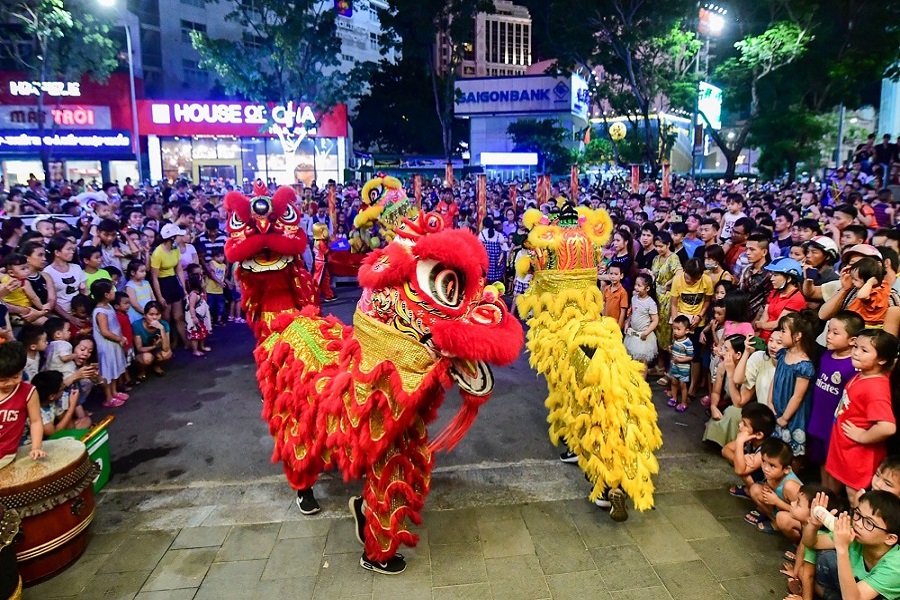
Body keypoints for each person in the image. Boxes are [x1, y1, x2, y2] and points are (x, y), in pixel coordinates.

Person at [826, 329, 898, 503]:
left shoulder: (876, 388)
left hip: (858, 456)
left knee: (855, 498)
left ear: (882, 359)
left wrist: (862, 436)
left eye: (864, 350)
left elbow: (887, 427)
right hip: (844, 449)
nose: (856, 352)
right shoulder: (864, 374)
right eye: (856, 346)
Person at [804, 490, 900, 600]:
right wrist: (813, 525)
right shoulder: (856, 534)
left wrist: (842, 549)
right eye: (858, 514)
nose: (858, 524)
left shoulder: (896, 565)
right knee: (826, 557)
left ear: (890, 538)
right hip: (855, 591)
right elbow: (812, 543)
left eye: (869, 523)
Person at [809, 311, 864, 492]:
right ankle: (825, 497)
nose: (828, 336)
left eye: (835, 332)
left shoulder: (853, 366)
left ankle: (833, 504)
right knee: (821, 463)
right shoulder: (826, 355)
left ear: (852, 340)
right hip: (817, 422)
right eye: (829, 330)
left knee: (833, 469)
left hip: (834, 429)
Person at [769, 311, 817, 460]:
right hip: (777, 408)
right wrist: (770, 401)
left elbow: (797, 396)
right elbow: (775, 378)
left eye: (784, 331)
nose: (780, 334)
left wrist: (785, 417)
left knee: (791, 452)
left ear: (797, 336)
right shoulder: (782, 353)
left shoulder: (804, 365)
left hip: (792, 414)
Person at [669, 258, 713, 401]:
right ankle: (675, 386)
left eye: (695, 280)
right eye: (689, 278)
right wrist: (677, 325)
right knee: (677, 351)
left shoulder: (706, 280)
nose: (691, 282)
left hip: (697, 322)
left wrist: (700, 316)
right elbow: (674, 304)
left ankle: (693, 387)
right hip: (681, 319)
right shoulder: (678, 280)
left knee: (695, 356)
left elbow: (707, 301)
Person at [0, 342, 45, 469]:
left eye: (15, 377)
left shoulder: (28, 392)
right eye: (2, 380)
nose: (9, 383)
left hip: (5, 454)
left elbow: (35, 421)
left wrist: (36, 447)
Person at [746, 438, 802, 536]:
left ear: (786, 469)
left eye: (772, 465)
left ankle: (799, 544)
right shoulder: (772, 474)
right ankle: (775, 522)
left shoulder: (790, 486)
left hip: (795, 520)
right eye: (763, 461)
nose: (765, 468)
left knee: (783, 519)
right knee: (755, 489)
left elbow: (802, 515)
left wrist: (776, 501)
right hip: (780, 510)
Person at [91, 279, 128, 408]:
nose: (114, 291)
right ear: (106, 294)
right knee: (107, 372)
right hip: (107, 346)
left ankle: (114, 392)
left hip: (113, 344)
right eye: (112, 290)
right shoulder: (100, 312)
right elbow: (105, 332)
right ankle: (108, 397)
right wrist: (119, 339)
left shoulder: (109, 306)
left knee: (113, 370)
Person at [150, 223, 188, 347]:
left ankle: (183, 341)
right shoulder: (158, 253)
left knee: (179, 316)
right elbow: (154, 277)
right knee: (166, 318)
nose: (181, 238)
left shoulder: (175, 249)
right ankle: (168, 343)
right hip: (163, 283)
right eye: (178, 236)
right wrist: (160, 296)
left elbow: (179, 269)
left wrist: (183, 288)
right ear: (172, 237)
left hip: (173, 282)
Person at [729, 403, 778, 494]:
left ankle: (750, 491)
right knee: (740, 462)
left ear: (759, 434)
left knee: (742, 468)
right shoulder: (751, 439)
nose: (740, 425)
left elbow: (740, 470)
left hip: (768, 491)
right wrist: (743, 458)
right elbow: (726, 449)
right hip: (756, 481)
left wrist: (739, 443)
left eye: (744, 424)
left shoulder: (764, 451)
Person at [755, 257, 807, 341]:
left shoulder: (797, 298)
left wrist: (759, 325)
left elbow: (779, 324)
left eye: (776, 275)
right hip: (764, 338)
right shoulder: (774, 292)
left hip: (779, 341)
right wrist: (757, 336)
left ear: (789, 278)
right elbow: (765, 315)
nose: (772, 279)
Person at [651, 231, 681, 376]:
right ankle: (660, 365)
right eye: (656, 246)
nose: (658, 249)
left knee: (667, 333)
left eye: (661, 246)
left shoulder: (673, 258)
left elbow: (679, 274)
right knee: (658, 331)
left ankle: (669, 368)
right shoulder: (656, 258)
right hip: (656, 298)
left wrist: (669, 284)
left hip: (668, 300)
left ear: (669, 244)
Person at [43, 237, 87, 330]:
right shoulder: (47, 272)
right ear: (57, 252)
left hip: (79, 313)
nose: (72, 252)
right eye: (68, 249)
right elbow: (51, 300)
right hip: (59, 317)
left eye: (73, 249)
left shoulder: (76, 268)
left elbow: (84, 291)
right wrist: (70, 318)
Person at [623, 273, 658, 370]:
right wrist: (627, 323)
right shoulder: (634, 298)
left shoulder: (650, 303)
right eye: (635, 285)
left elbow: (655, 321)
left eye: (639, 286)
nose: (636, 287)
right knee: (632, 360)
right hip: (633, 334)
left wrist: (646, 332)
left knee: (642, 363)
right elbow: (632, 313)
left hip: (644, 337)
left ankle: (642, 382)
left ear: (647, 289)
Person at [132, 301, 172, 379]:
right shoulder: (137, 325)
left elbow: (166, 348)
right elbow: (139, 348)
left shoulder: (164, 325)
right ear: (145, 315)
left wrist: (162, 329)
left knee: (167, 354)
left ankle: (157, 366)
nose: (154, 317)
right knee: (147, 358)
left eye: (157, 314)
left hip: (157, 351)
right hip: (143, 352)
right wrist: (154, 346)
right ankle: (142, 371)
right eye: (151, 314)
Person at [739, 231, 773, 323]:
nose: (747, 253)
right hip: (741, 317)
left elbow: (768, 303)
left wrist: (756, 323)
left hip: (759, 321)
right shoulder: (747, 270)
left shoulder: (771, 274)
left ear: (764, 252)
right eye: (746, 249)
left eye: (752, 249)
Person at [667, 315, 694, 413]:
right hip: (674, 366)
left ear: (686, 330)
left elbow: (690, 356)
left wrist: (680, 360)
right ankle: (674, 398)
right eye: (674, 328)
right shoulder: (675, 339)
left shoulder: (688, 343)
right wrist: (671, 349)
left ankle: (684, 403)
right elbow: (674, 351)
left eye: (678, 329)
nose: (675, 331)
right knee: (674, 382)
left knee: (683, 386)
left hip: (683, 368)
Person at [184, 273, 212, 357]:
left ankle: (202, 346)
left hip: (202, 318)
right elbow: (191, 307)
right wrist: (194, 317)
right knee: (195, 334)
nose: (204, 283)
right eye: (202, 282)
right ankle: (195, 350)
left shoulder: (199, 293)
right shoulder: (193, 295)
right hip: (196, 317)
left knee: (202, 332)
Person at [124, 259, 155, 324]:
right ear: (132, 273)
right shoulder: (130, 286)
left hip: (150, 313)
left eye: (145, 271)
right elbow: (134, 304)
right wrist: (146, 313)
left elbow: (153, 297)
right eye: (142, 271)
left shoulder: (146, 283)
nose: (144, 273)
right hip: (137, 316)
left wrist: (154, 309)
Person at [602, 264, 628, 331]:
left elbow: (623, 312)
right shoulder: (606, 289)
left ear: (621, 276)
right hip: (606, 322)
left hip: (615, 324)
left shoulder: (623, 292)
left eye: (616, 274)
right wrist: (603, 318)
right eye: (611, 274)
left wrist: (618, 327)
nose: (613, 276)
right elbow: (603, 304)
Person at [205, 248, 227, 326]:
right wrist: (220, 282)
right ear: (214, 257)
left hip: (219, 290)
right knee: (210, 306)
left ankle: (218, 320)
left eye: (222, 256)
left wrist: (226, 282)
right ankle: (209, 320)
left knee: (220, 306)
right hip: (210, 290)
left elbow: (224, 276)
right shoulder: (212, 263)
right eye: (218, 256)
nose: (221, 258)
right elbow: (212, 274)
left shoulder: (224, 266)